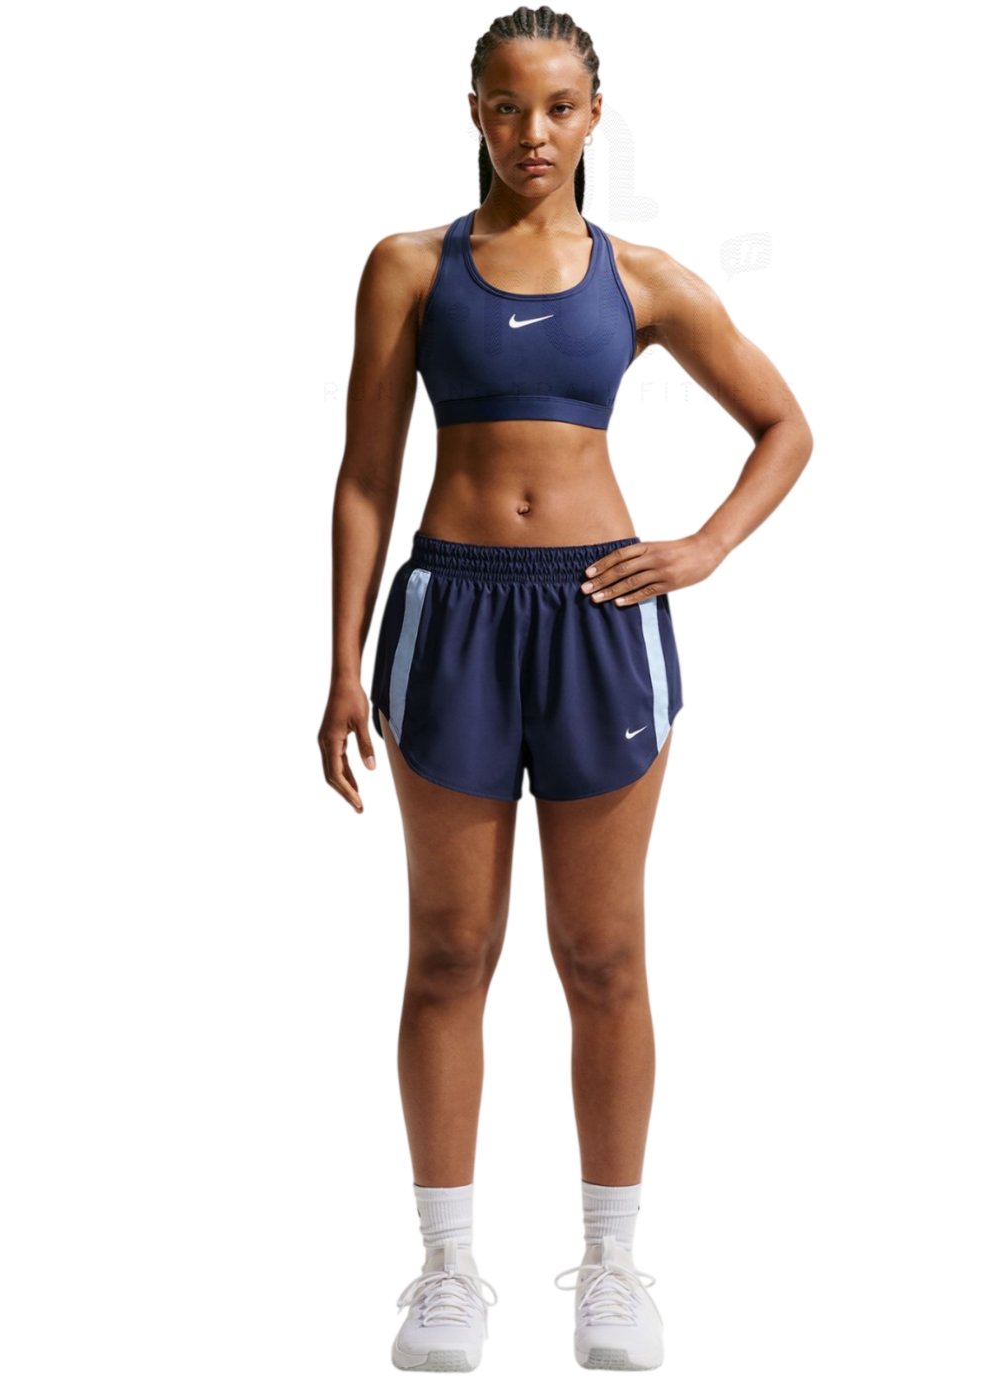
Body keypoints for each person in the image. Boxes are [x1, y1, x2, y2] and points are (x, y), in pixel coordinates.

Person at [320, 7, 812, 1371]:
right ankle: (446, 1271)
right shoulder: (407, 268)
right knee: (447, 953)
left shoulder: (643, 279)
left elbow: (785, 425)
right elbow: (364, 476)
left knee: (603, 957)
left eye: (555, 108)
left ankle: (610, 1264)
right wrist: (342, 662)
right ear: (473, 111)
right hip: (452, 616)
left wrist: (705, 546)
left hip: (598, 619)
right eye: (505, 106)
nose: (529, 133)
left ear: (595, 114)